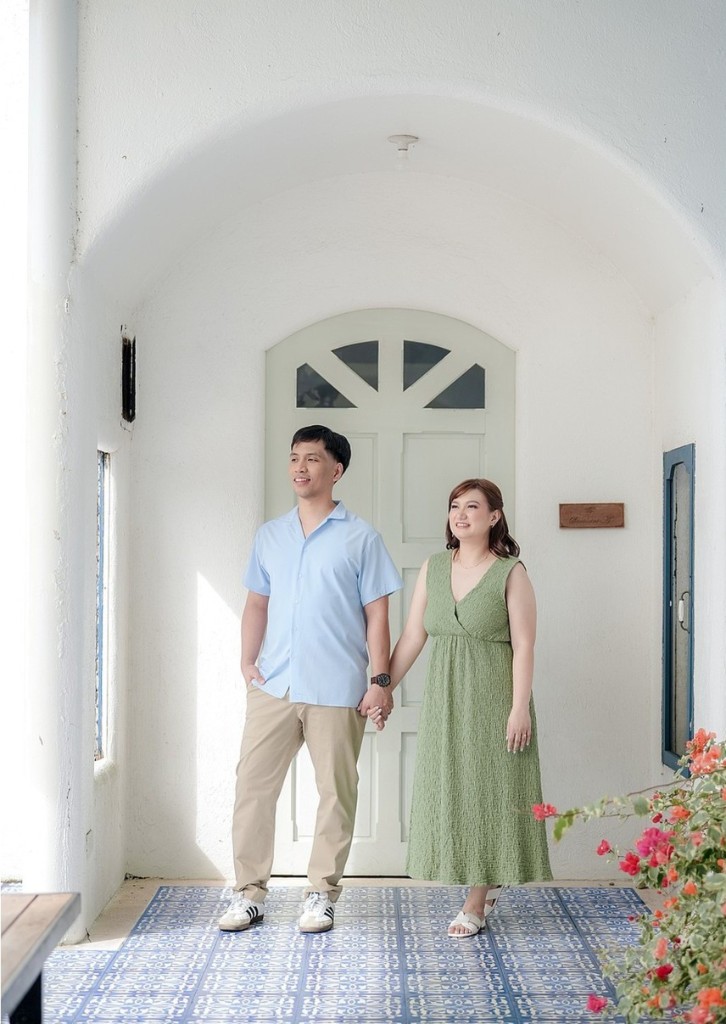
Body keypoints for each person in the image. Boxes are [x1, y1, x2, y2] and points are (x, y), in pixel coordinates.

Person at [219, 424, 402, 934]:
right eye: (294, 457)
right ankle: (248, 893)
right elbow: (257, 603)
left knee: (336, 793)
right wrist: (247, 662)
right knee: (252, 790)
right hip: (273, 686)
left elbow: (377, 615)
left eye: (313, 459)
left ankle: (321, 894)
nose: (300, 467)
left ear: (336, 470)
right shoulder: (270, 536)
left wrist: (380, 680)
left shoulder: (361, 538)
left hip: (337, 687)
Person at [386, 478, 552, 937]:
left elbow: (525, 646)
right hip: (445, 700)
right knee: (455, 790)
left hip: (496, 698)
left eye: (472, 507)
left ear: (494, 516)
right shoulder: (434, 567)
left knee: (492, 791)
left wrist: (519, 708)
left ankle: (477, 898)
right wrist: (383, 686)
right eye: (454, 506)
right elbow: (413, 636)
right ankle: (486, 879)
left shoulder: (511, 573)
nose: (460, 515)